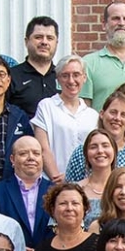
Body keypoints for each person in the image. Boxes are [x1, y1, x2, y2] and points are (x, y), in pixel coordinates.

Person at [29, 55, 97, 184]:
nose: (71, 81)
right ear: (58, 79)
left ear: (84, 78)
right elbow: (43, 148)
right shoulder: (47, 106)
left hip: (86, 185)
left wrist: (83, 181)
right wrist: (58, 180)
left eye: (76, 75)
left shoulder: (93, 116)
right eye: (65, 75)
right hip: (52, 182)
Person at [0, 134, 51, 251]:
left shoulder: (56, 191)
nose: (31, 158)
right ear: (12, 159)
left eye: (36, 153)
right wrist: (16, 250)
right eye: (23, 153)